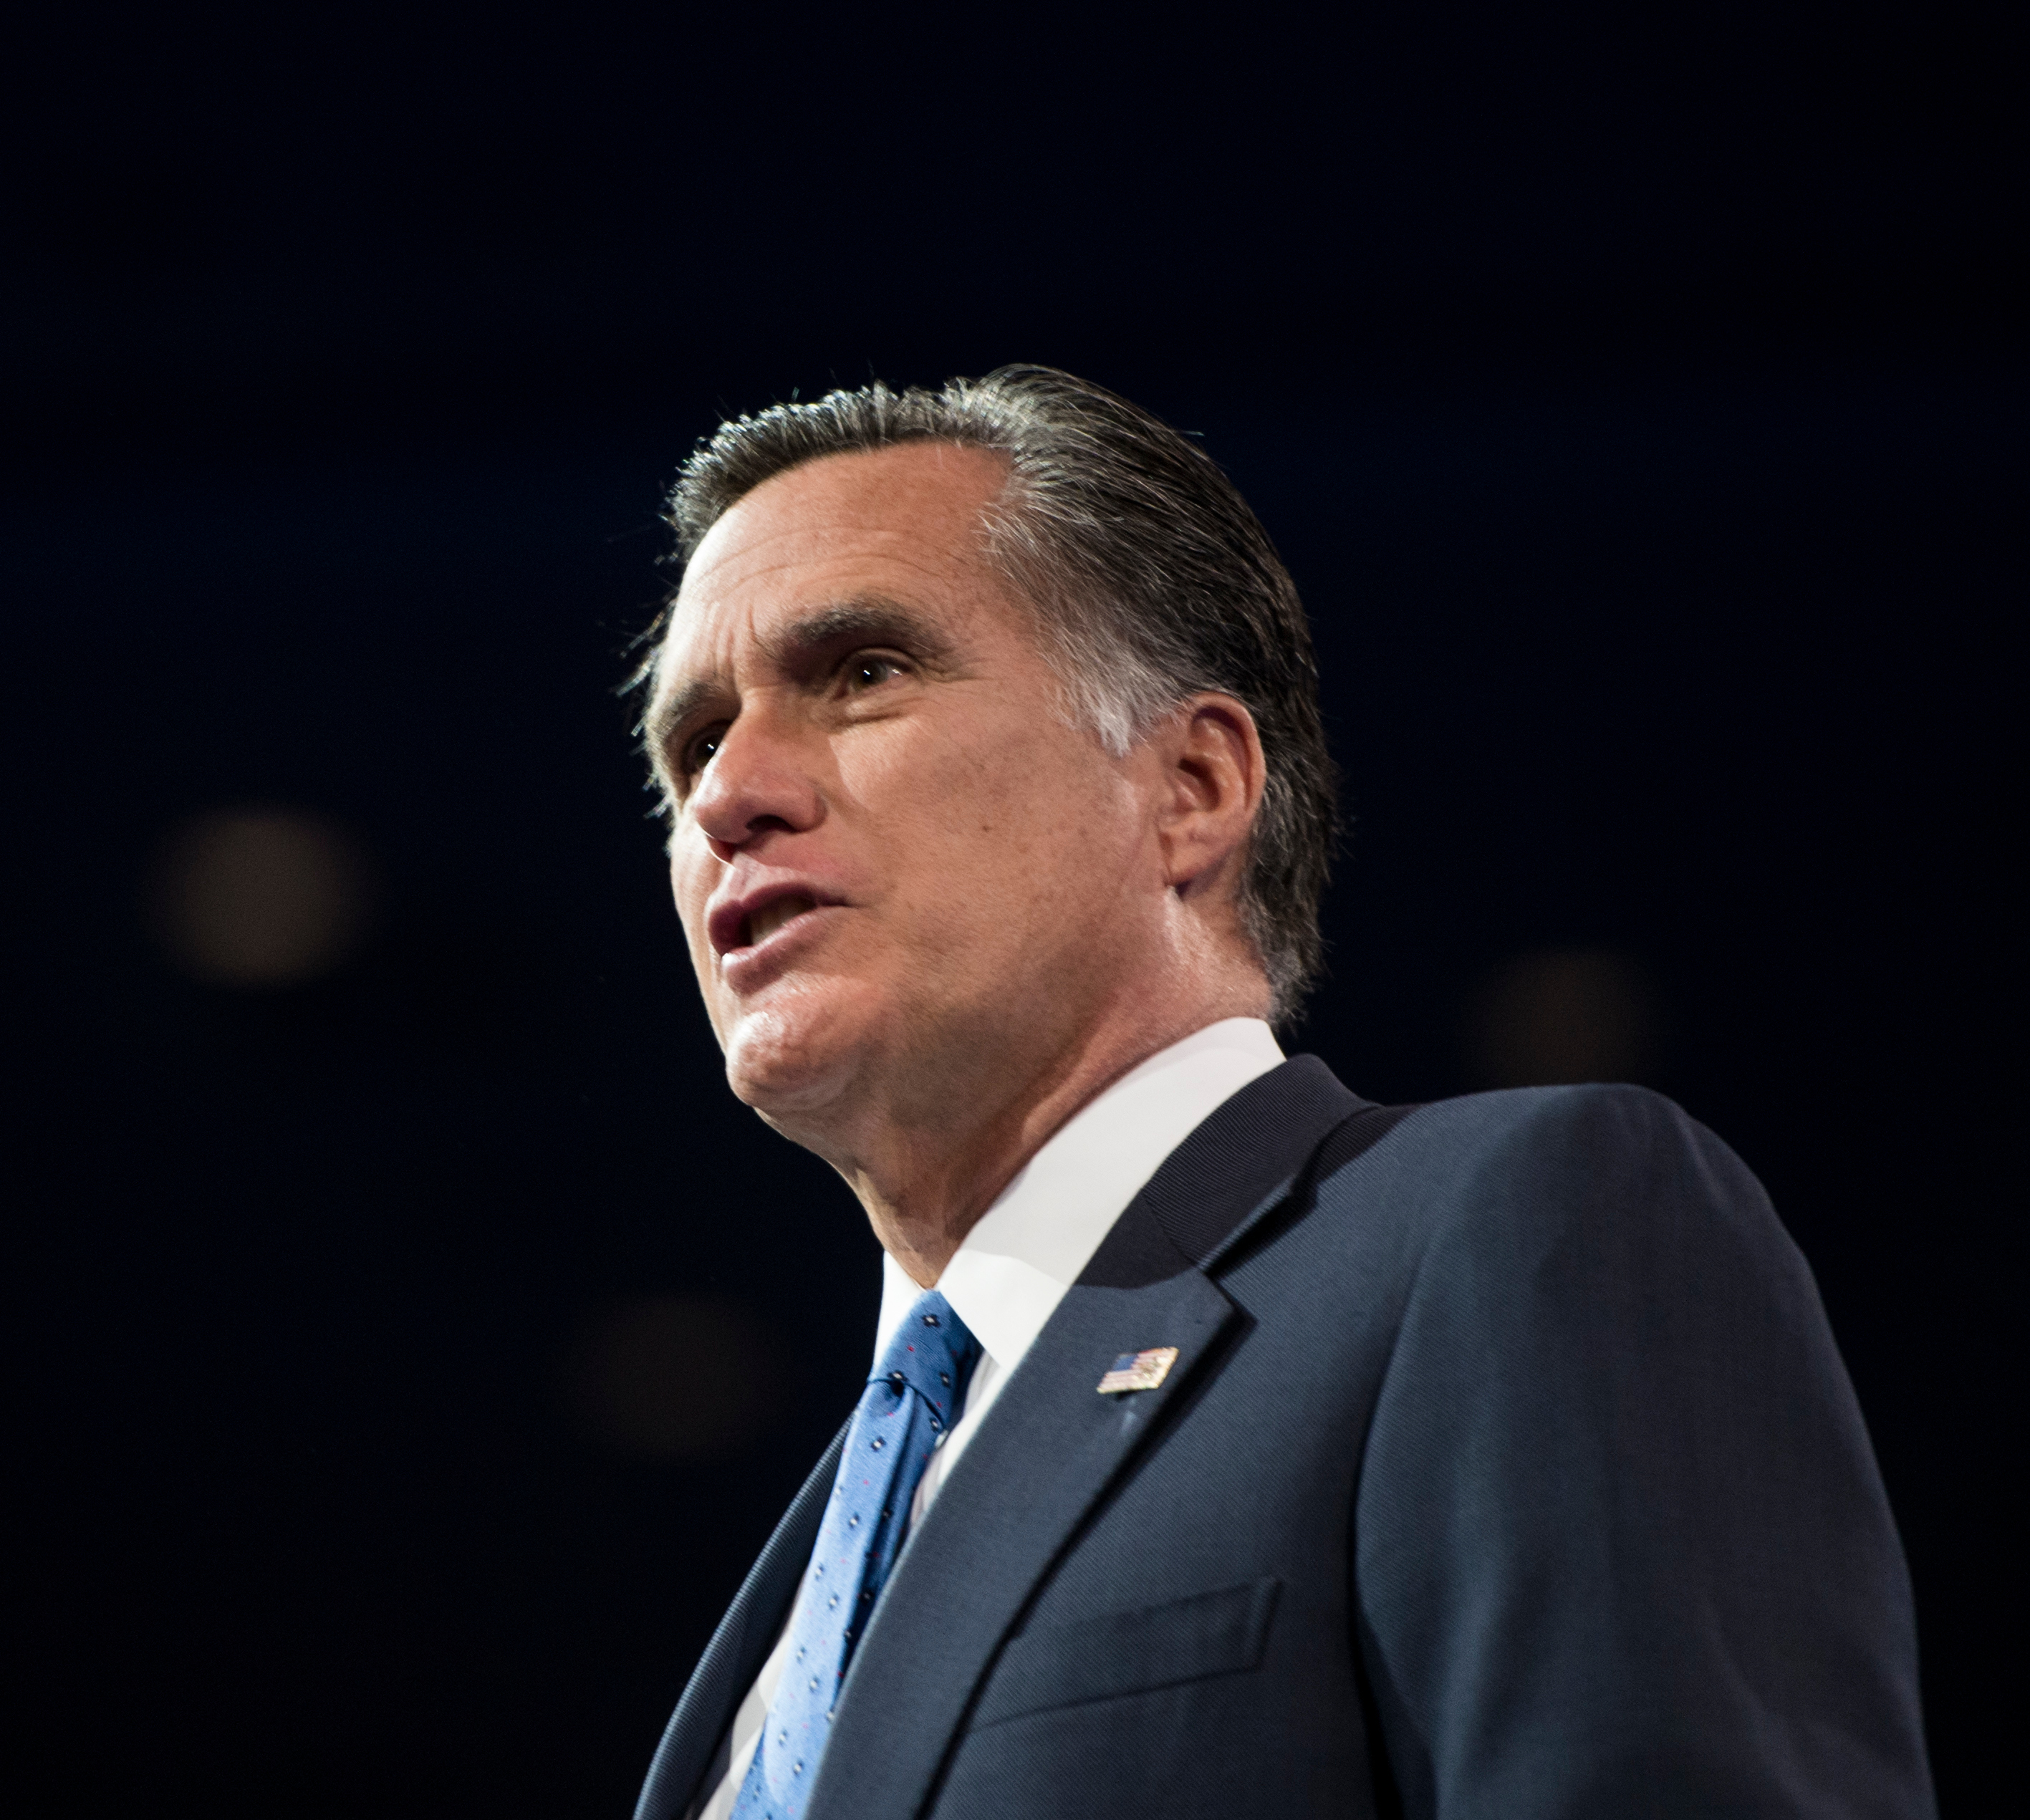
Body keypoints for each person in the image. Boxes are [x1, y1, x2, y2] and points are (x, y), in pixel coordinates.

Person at [627, 367, 1931, 1820]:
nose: (728, 789)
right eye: (688, 744)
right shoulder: (820, 1571)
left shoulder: (1506, 1231)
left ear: (1188, 784)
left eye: (863, 670)